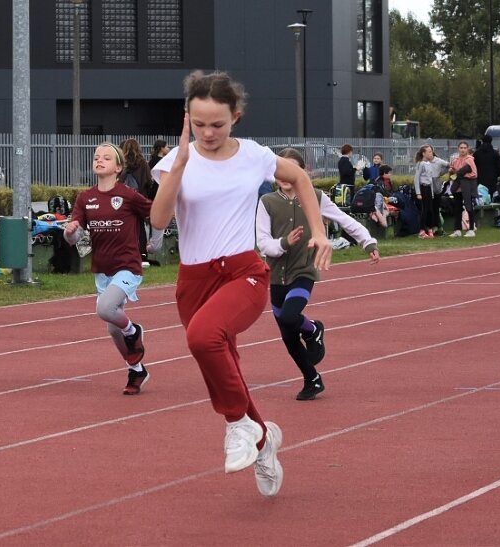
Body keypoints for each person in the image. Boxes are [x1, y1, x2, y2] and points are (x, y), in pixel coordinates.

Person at [150, 70, 332, 497]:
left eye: (218, 123)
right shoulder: (173, 163)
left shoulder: (253, 155)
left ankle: (238, 425)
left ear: (236, 116)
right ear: (187, 118)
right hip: (193, 280)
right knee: (223, 362)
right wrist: (178, 164)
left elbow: (301, 178)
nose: (208, 132)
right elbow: (158, 222)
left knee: (203, 337)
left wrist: (319, 230)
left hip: (242, 272)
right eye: (199, 124)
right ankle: (264, 441)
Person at [257, 148, 379, 401]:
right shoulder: (266, 202)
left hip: (304, 270)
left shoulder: (316, 197)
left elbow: (345, 220)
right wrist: (284, 243)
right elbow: (263, 244)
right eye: (280, 168)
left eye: (290, 168)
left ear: (302, 172)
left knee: (291, 316)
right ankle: (312, 378)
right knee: (288, 335)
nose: (284, 174)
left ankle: (312, 329)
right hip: (277, 275)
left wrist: (368, 242)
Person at [63, 142, 161, 396]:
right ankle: (137, 369)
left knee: (105, 309)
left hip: (127, 266)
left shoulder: (128, 195)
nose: (99, 160)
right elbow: (76, 240)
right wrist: (69, 233)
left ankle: (134, 330)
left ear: (118, 167)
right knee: (111, 326)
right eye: (96, 157)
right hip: (102, 269)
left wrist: (156, 243)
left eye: (106, 157)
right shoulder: (85, 198)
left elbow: (158, 213)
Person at [121, 138, 156, 267]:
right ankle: (142, 254)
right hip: (139, 199)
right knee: (140, 227)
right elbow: (149, 182)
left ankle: (125, 255)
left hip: (124, 200)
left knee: (123, 227)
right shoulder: (143, 164)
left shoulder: (122, 163)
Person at [413, 144, 450, 239]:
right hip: (423, 188)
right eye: (429, 152)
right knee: (424, 210)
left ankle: (429, 228)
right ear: (423, 153)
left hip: (429, 188)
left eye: (431, 151)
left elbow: (430, 179)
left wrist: (432, 193)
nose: (431, 153)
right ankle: (421, 230)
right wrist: (418, 193)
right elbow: (416, 178)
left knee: (430, 209)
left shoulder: (429, 164)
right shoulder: (420, 163)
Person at [448, 141, 479, 237]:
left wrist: (461, 174)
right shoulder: (455, 160)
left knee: (469, 206)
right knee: (457, 208)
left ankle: (471, 229)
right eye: (461, 147)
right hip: (458, 187)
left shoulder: (470, 159)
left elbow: (474, 174)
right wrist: (452, 172)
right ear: (458, 149)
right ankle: (457, 230)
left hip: (467, 186)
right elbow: (451, 173)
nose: (463, 149)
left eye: (465, 148)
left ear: (467, 149)